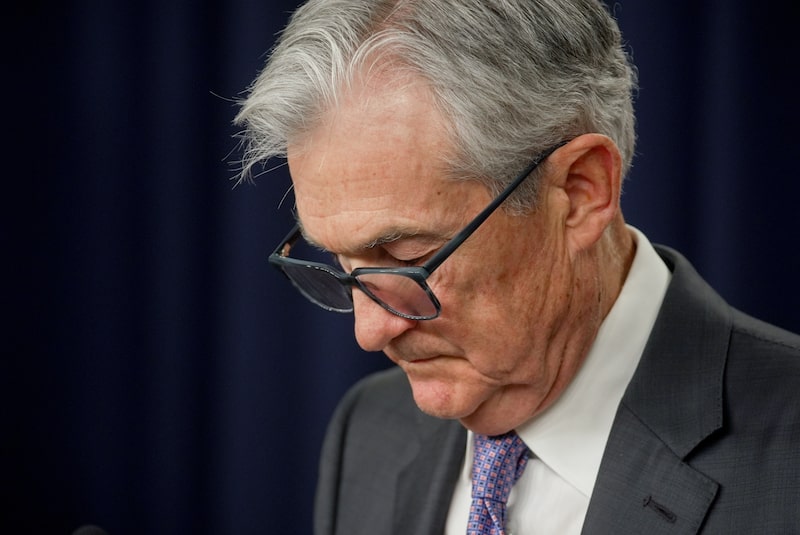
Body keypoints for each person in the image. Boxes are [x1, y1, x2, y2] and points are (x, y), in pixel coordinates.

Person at [233, 0, 800, 533]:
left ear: (581, 191)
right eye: (338, 263)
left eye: (408, 258)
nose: (369, 331)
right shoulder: (370, 429)